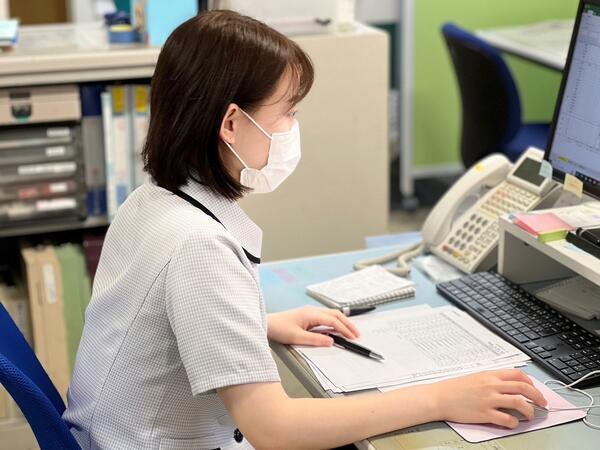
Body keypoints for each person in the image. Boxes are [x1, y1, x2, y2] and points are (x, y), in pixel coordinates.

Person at [63, 10, 547, 450]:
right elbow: (274, 428)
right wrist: (440, 398)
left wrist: (257, 324)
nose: (293, 127)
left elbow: (158, 320)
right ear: (232, 122)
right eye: (288, 112)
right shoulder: (199, 245)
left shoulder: (153, 198)